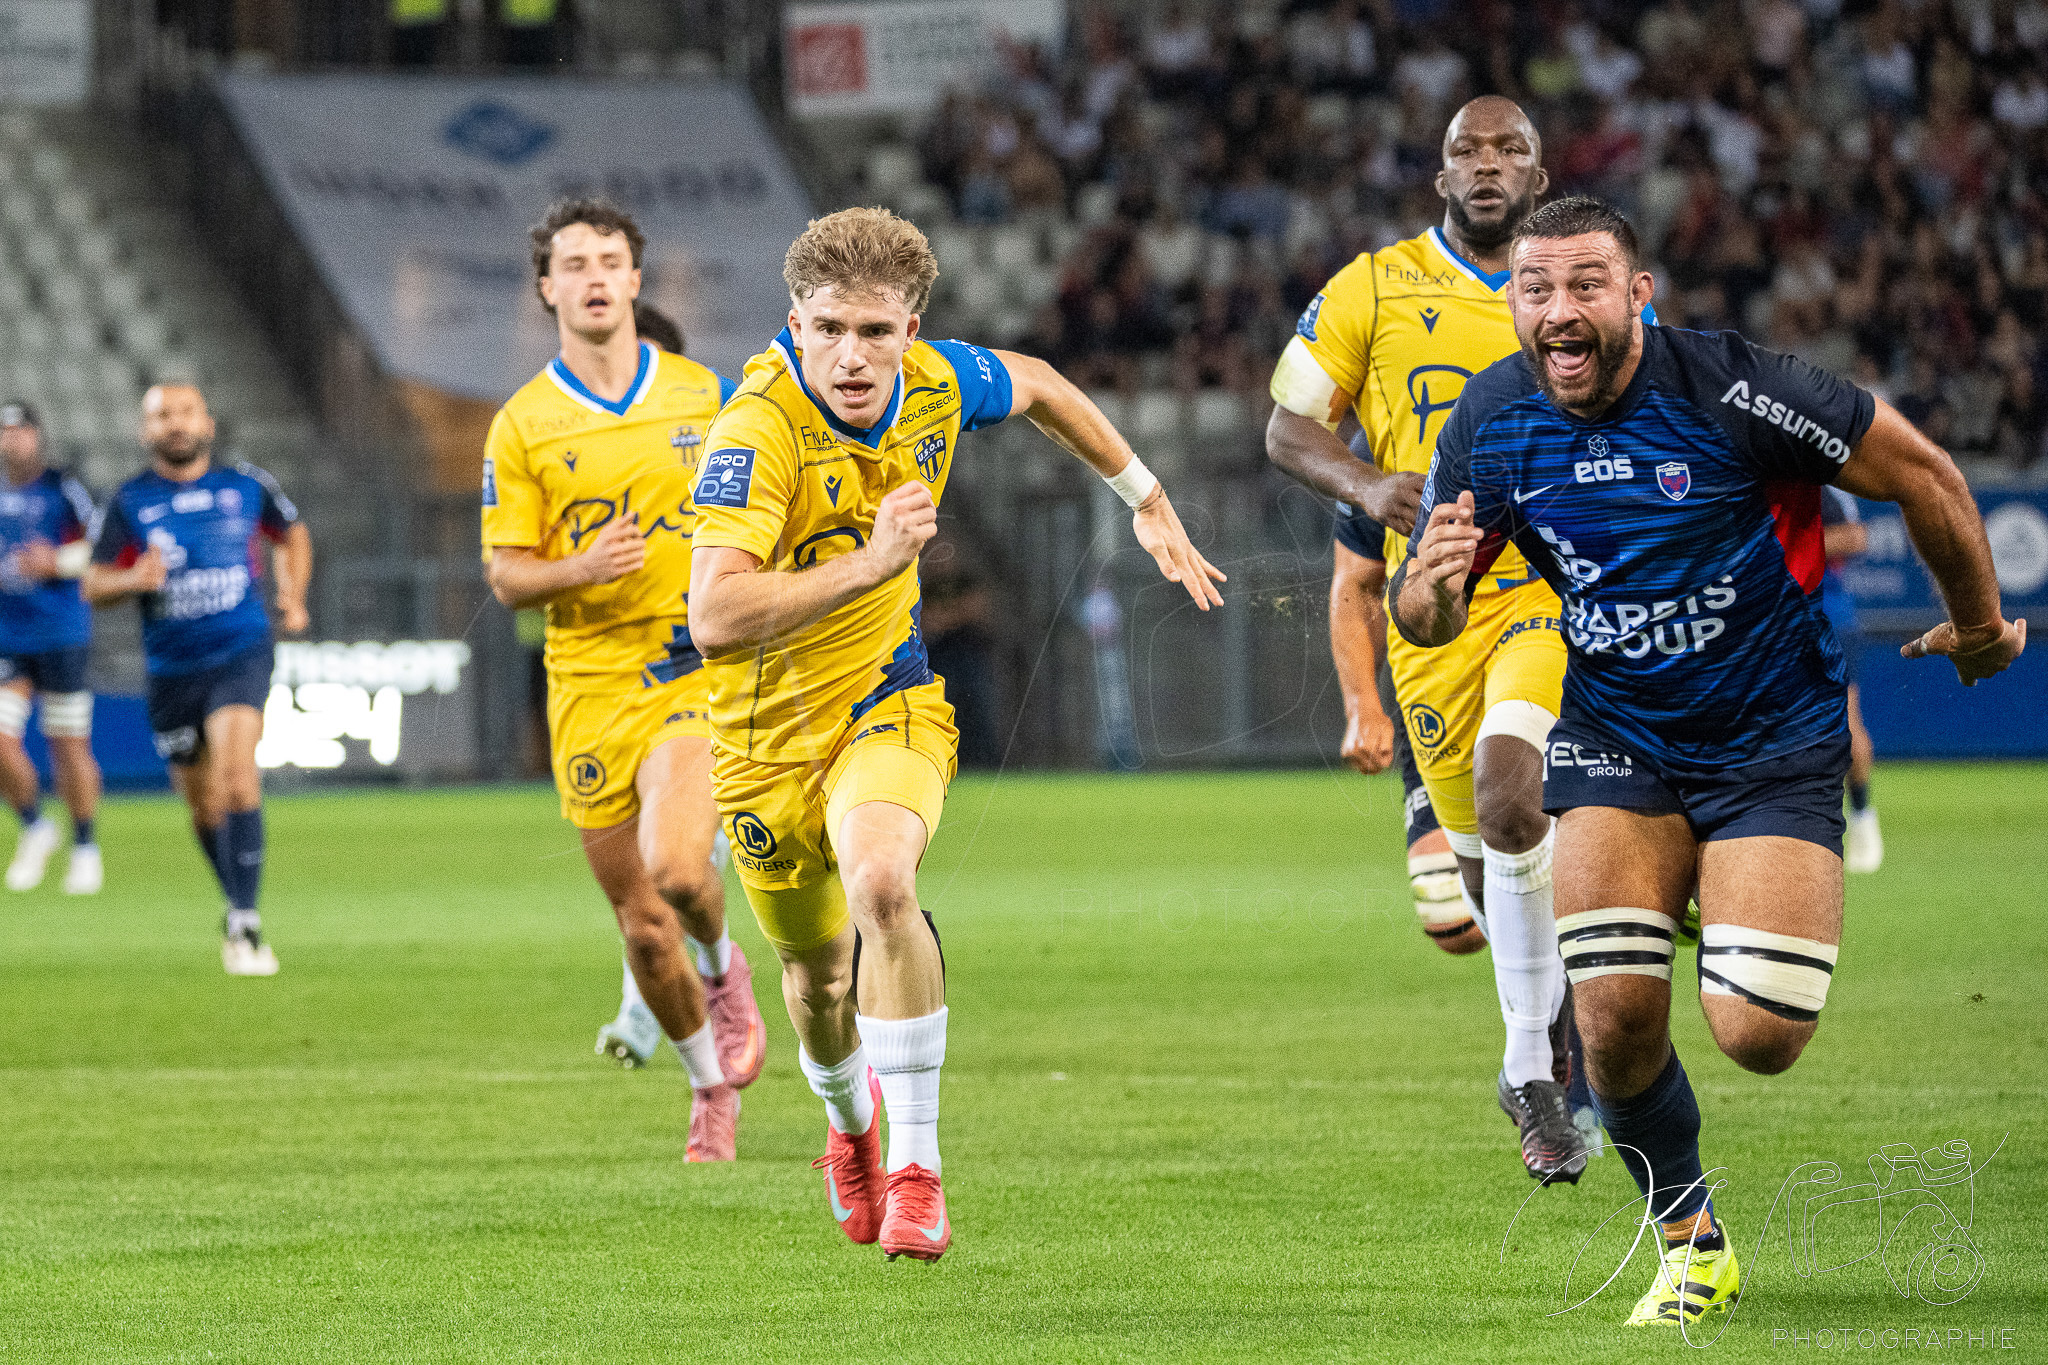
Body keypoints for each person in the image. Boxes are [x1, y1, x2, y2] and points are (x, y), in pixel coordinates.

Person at [1392, 196, 2025, 1329]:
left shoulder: (1738, 390)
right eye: (1535, 289)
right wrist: (1429, 594)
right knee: (1611, 1021)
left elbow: (1923, 472)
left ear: (1639, 295)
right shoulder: (1490, 418)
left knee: (1758, 1033)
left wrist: (1978, 626)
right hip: (1616, 735)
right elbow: (1422, 609)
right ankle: (1691, 1244)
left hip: (1769, 738)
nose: (1558, 310)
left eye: (1586, 284)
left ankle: (1716, 900)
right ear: (1512, 302)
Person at [688, 206, 1223, 1261]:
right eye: (829, 329)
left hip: (884, 704)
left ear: (911, 330)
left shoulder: (936, 383)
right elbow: (713, 613)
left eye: (874, 332)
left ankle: (917, 1170)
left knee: (884, 885)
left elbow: (1043, 385)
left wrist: (1145, 494)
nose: (852, 356)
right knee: (815, 981)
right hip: (761, 744)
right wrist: (872, 565)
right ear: (794, 326)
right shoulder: (756, 431)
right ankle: (851, 1129)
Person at [1266, 95, 1601, 1184]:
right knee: (1479, 866)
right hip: (1429, 612)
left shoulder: (1566, 291)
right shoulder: (1370, 287)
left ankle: (1534, 1066)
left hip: (1545, 593)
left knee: (1514, 790)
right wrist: (1369, 485)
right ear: (1440, 176)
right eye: (1467, 150)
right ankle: (1552, 1034)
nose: (1488, 164)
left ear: (1539, 176)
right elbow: (1286, 426)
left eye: (1510, 149)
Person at [482, 199, 768, 1161]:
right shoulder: (522, 425)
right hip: (588, 688)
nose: (595, 276)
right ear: (547, 288)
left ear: (637, 281)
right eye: (575, 264)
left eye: (610, 260)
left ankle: (723, 969)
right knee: (642, 928)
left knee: (681, 870)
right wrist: (580, 567)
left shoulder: (705, 395)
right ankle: (707, 1086)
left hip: (690, 671)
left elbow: (760, 507)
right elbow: (507, 575)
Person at [83, 384, 313, 975]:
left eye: (185, 412)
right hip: (172, 669)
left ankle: (245, 920)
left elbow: (292, 533)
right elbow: (93, 583)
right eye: (163, 416)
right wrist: (132, 580)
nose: (176, 424)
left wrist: (292, 594)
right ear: (145, 430)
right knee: (203, 803)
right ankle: (236, 902)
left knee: (237, 777)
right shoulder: (129, 500)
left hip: (240, 650)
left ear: (207, 421)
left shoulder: (246, 485)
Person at [590, 298, 735, 1070]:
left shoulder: (728, 428)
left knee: (706, 859)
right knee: (672, 865)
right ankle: (660, 1010)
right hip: (639, 685)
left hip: (742, 670)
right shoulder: (589, 453)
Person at [1326, 445, 1482, 956]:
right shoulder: (1381, 446)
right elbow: (1355, 584)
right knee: (1452, 920)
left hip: (1537, 657)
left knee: (1565, 875)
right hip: (1432, 679)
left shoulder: (1534, 418)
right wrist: (1362, 704)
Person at [0, 401, 103, 895]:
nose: (12, 440)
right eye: (5, 432)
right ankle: (36, 825)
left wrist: (57, 561)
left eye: (20, 431)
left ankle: (85, 846)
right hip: (7, 637)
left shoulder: (65, 487)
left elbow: (104, 546)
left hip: (62, 634)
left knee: (68, 745)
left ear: (37, 436)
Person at [1819, 487, 1882, 871]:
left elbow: (1855, 537)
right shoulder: (1749, 479)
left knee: (1846, 723)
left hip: (1829, 618)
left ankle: (1862, 815)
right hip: (1765, 621)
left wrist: (1787, 543)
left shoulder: (1824, 488)